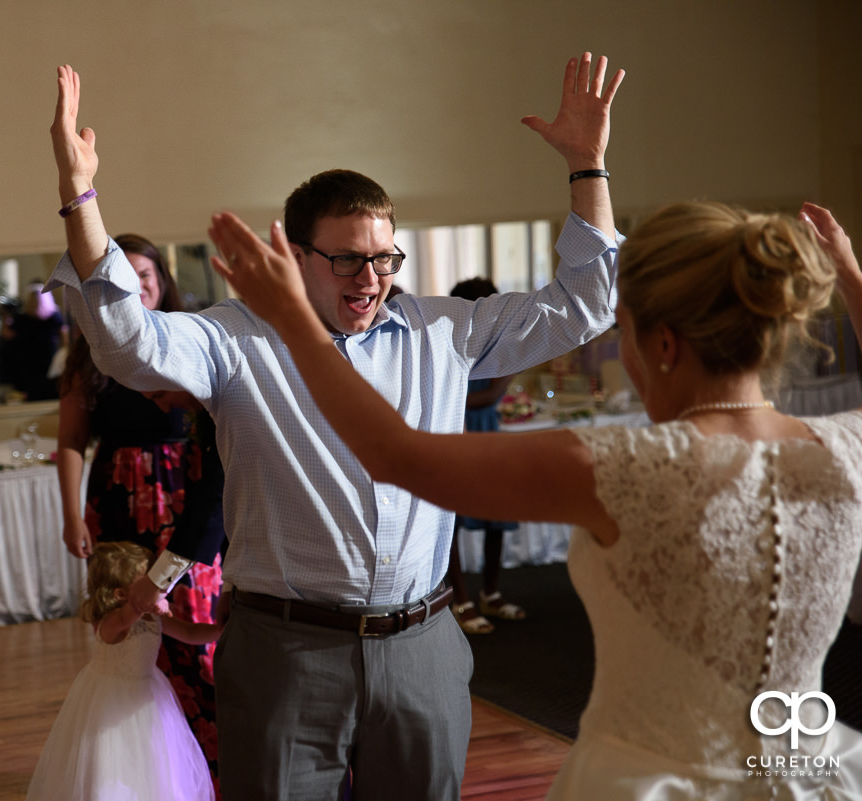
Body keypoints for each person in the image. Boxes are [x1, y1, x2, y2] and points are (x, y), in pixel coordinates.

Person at [46, 53, 624, 798]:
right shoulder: (236, 338)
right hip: (286, 647)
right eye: (349, 260)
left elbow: (585, 305)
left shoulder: (444, 332)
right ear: (296, 253)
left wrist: (587, 167)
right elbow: (128, 341)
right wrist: (78, 195)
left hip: (423, 644)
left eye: (386, 258)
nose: (372, 279)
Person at [210, 194, 862, 798]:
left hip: (651, 778)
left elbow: (392, 454)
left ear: (662, 345)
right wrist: (852, 278)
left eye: (623, 333)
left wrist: (296, 321)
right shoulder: (845, 448)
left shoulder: (617, 465)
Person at [55, 233, 227, 786]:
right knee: (132, 634)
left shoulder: (187, 337)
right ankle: (149, 775)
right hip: (119, 505)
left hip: (187, 501)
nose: (138, 286)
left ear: (162, 281)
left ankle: (213, 768)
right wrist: (71, 513)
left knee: (194, 632)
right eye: (125, 277)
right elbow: (70, 440)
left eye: (145, 276)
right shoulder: (89, 350)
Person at [25, 541, 219, 801]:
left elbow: (188, 632)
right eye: (146, 583)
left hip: (148, 696)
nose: (156, 588)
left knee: (153, 761)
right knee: (112, 762)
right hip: (110, 701)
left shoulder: (153, 616)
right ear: (121, 594)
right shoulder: (111, 623)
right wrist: (153, 605)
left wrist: (219, 631)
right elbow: (130, 616)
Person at [445, 277, 525, 635]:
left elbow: (492, 396)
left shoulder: (503, 348)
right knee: (451, 522)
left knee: (497, 516)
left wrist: (445, 399)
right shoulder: (450, 344)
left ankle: (490, 593)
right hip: (454, 438)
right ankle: (459, 600)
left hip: (485, 435)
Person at [0, 282, 65, 401]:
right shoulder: (55, 316)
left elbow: (7, 335)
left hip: (27, 357)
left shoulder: (22, 317)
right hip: (48, 354)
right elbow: (64, 337)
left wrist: (5, 316)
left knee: (30, 386)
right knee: (46, 384)